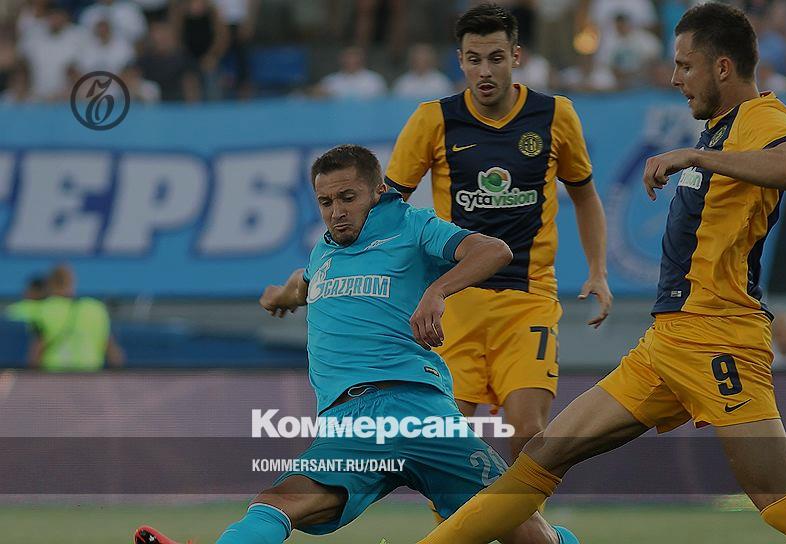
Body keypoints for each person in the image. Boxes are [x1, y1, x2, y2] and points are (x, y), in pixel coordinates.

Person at [416, 4, 786, 544]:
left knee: (779, 500)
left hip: (721, 336)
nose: (676, 79)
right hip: (668, 341)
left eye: (684, 66)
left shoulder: (760, 118)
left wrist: (695, 158)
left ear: (722, 67)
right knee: (542, 454)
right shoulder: (738, 124)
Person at [134, 145, 579, 544]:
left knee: (526, 534)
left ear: (377, 191)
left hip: (418, 410)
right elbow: (303, 283)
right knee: (277, 502)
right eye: (326, 202)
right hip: (350, 425)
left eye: (348, 198)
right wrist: (281, 295)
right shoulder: (324, 252)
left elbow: (494, 251)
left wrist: (437, 291)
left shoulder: (411, 225)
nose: (337, 212)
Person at [385, 3, 612, 462]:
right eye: (474, 59)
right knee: (446, 443)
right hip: (456, 300)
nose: (484, 71)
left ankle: (519, 511)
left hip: (528, 298)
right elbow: (390, 208)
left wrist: (598, 270)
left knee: (529, 432)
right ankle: (471, 511)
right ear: (460, 60)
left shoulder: (555, 115)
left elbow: (585, 195)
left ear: (516, 56)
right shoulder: (433, 119)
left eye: (495, 58)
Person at [28, 264, 125, 371]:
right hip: (90, 377)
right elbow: (113, 353)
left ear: (50, 283)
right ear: (72, 282)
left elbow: (36, 353)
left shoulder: (43, 310)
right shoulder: (96, 309)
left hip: (54, 376)